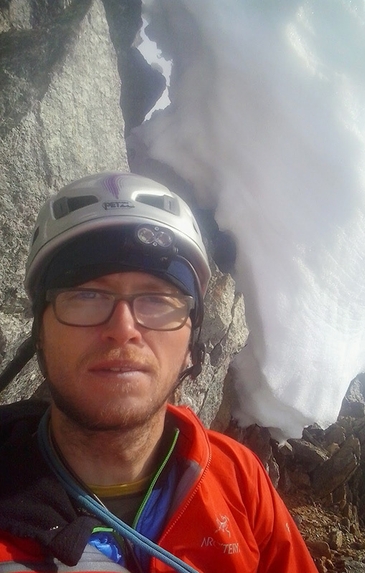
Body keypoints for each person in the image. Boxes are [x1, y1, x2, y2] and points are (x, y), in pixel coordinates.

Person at [0, 172, 318, 573]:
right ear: (40, 333)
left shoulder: (238, 478)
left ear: (191, 345)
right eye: (85, 296)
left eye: (157, 299)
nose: (123, 329)